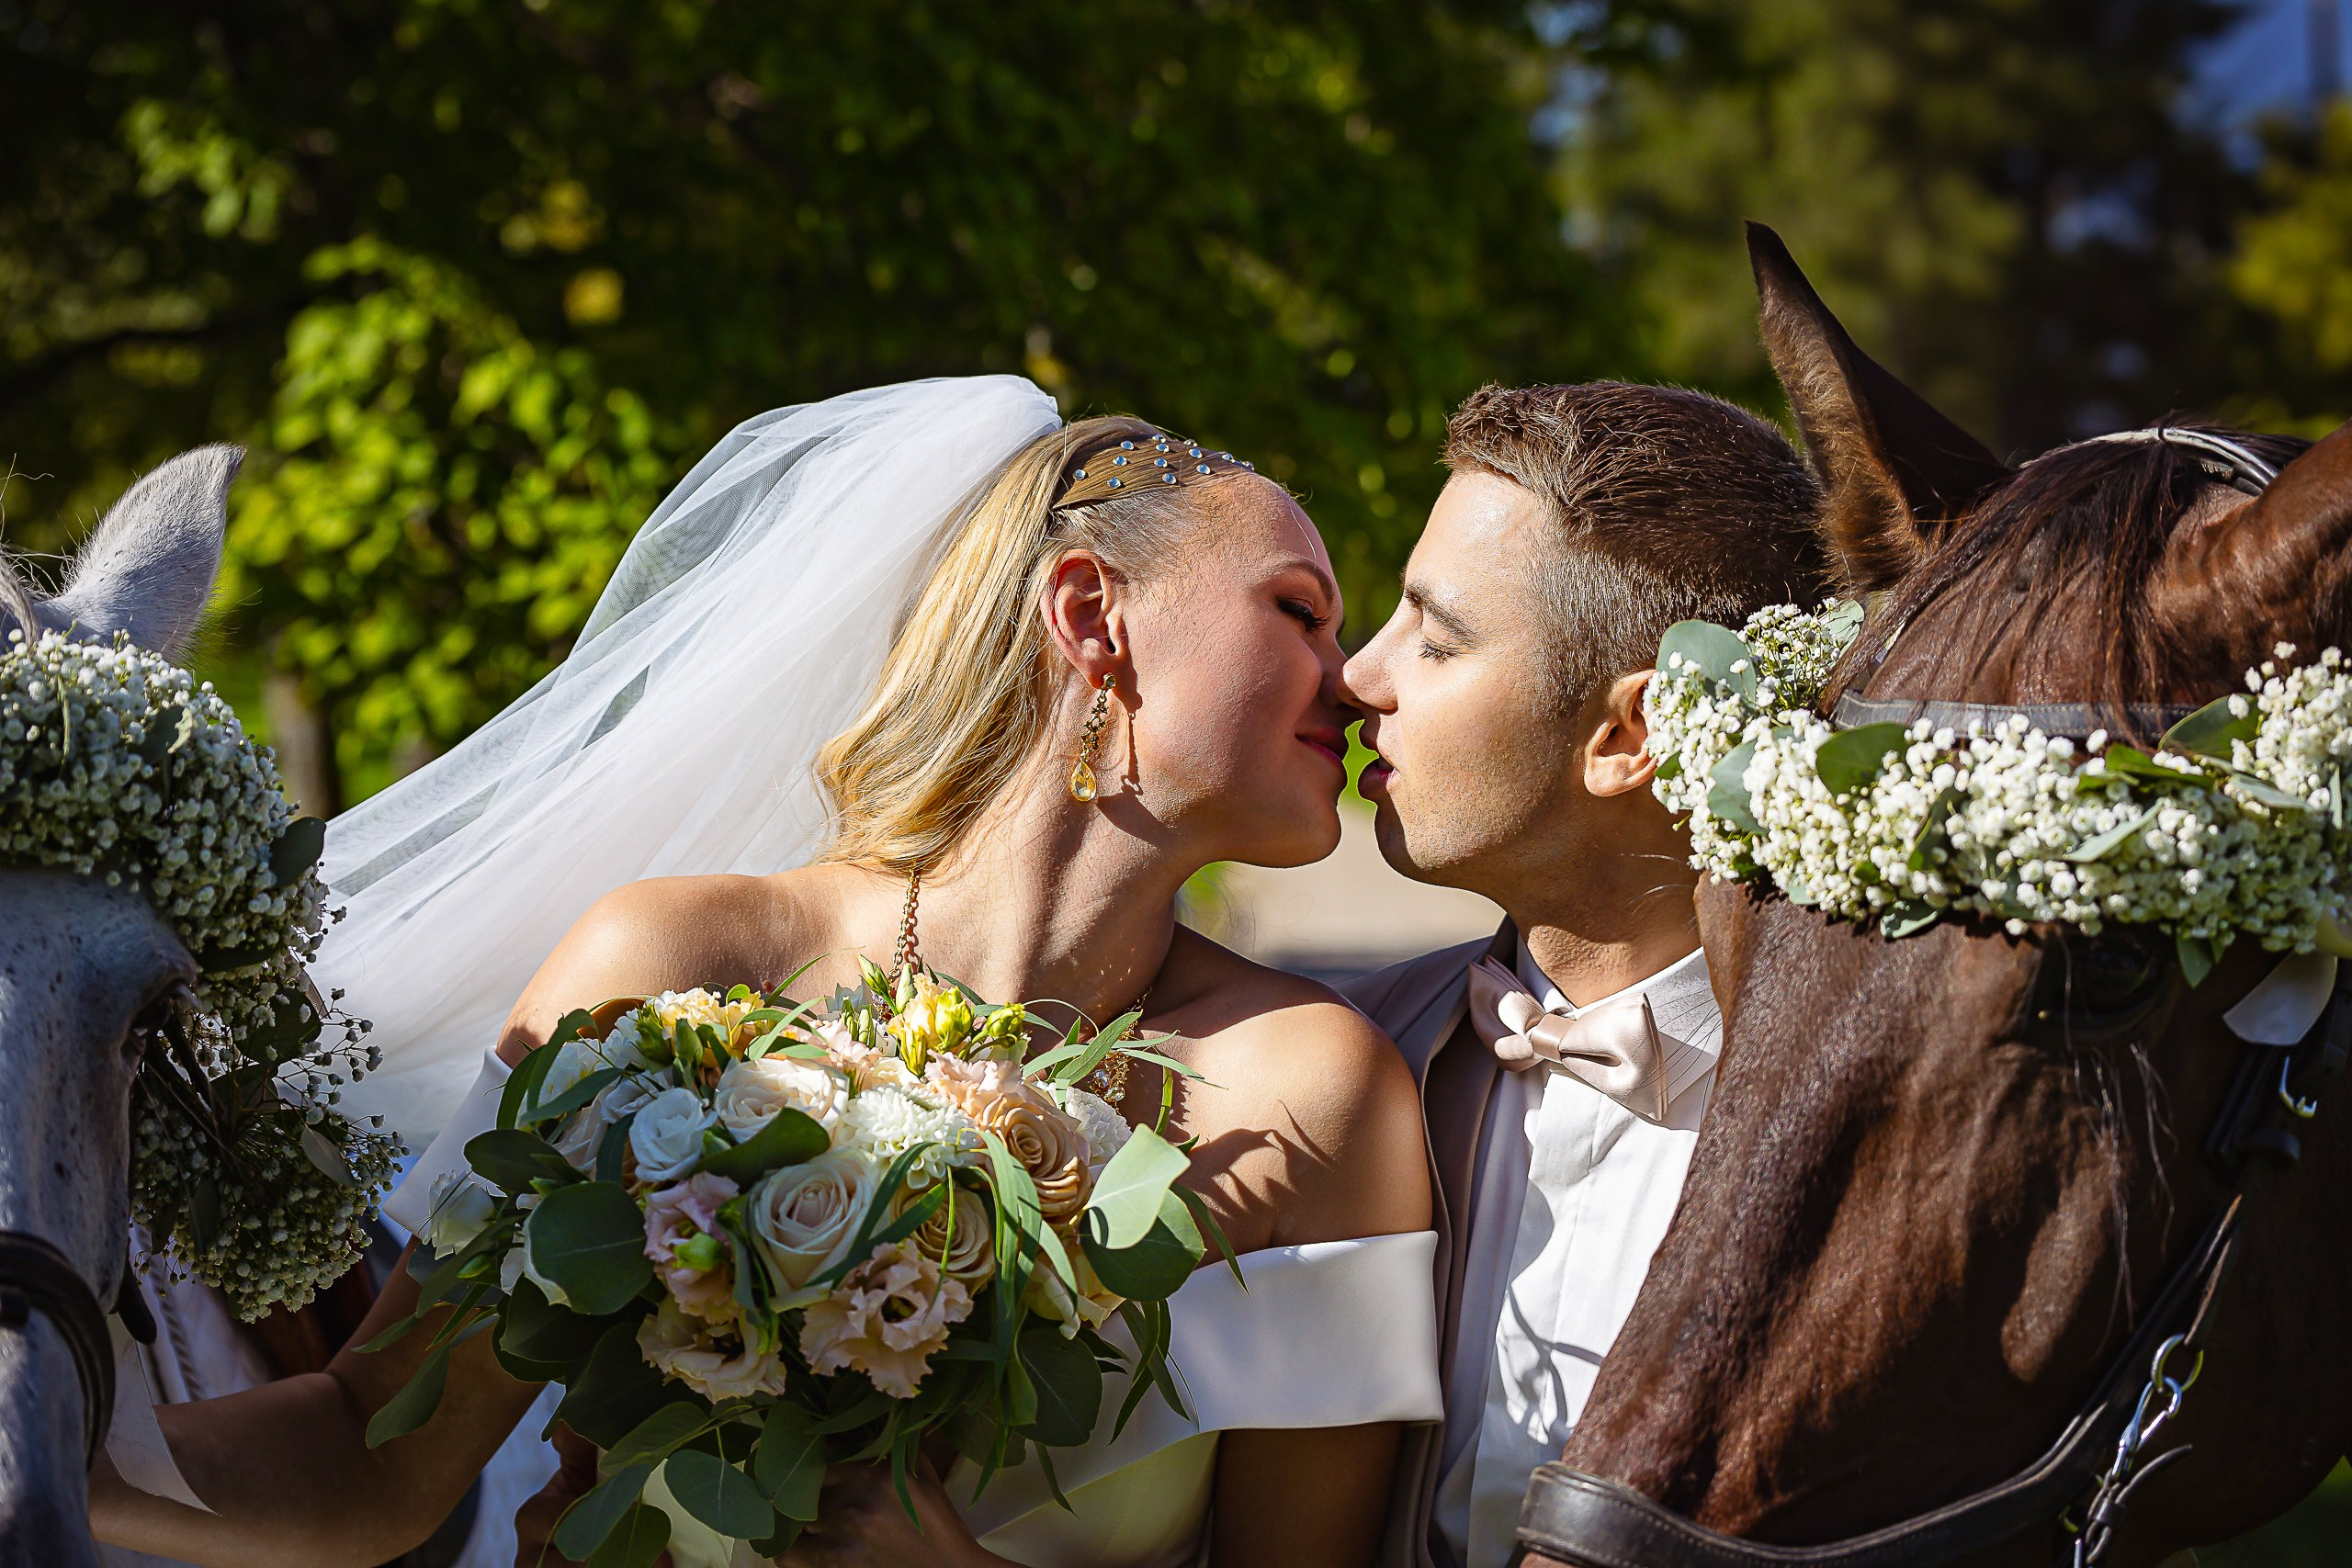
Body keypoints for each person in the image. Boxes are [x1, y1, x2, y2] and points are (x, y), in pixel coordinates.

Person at [88, 378, 1439, 1568]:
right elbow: (370, 1462)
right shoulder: (667, 969)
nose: (1355, 679)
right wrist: (40, 1450)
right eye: (1303, 612)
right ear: (1093, 614)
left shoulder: (1315, 1094)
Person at [1338, 382, 1828, 1568]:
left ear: (1628, 739)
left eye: (1436, 638)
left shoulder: (1852, 1141)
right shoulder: (1345, 1062)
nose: (1359, 675)